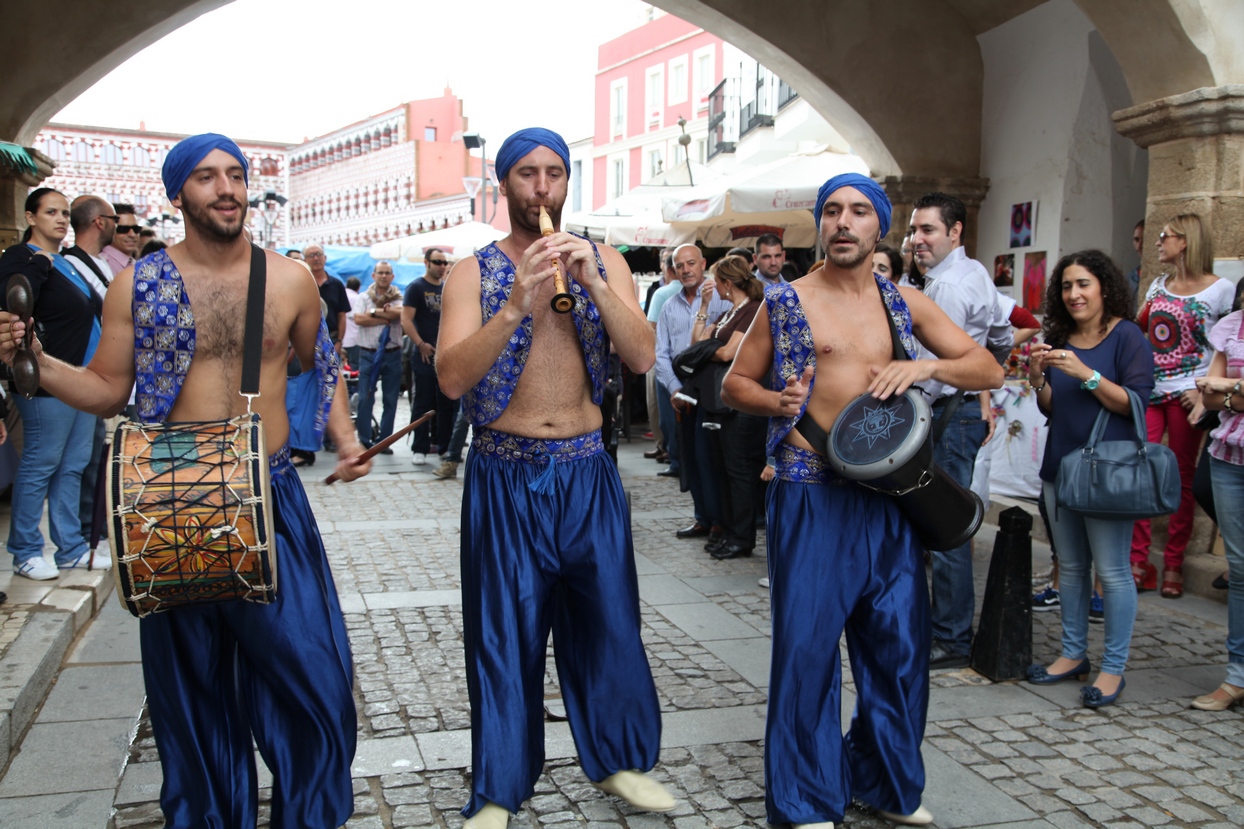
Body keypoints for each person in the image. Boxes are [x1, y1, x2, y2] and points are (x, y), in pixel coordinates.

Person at [0, 134, 370, 827]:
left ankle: (310, 816)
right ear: (179, 195)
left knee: (315, 681)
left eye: (235, 174)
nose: (226, 188)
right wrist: (36, 362)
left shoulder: (289, 278)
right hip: (173, 497)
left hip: (269, 492)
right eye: (206, 177)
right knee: (194, 694)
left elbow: (320, 366)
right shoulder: (137, 283)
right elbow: (109, 388)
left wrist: (345, 439)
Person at [722, 173, 1001, 828]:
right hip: (811, 495)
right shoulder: (785, 301)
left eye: (858, 212)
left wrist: (925, 367)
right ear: (819, 224)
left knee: (900, 650)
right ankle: (805, 798)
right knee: (807, 654)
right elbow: (735, 382)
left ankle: (882, 782)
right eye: (831, 212)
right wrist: (774, 401)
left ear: (880, 227)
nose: (843, 222)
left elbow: (986, 366)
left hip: (888, 498)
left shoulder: (904, 302)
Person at [437, 127, 674, 829]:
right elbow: (451, 378)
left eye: (554, 174)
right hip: (504, 474)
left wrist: (594, 281)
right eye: (527, 175)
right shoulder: (472, 272)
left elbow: (640, 358)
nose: (542, 188)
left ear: (568, 183)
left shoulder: (604, 262)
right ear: (504, 184)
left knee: (610, 624)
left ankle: (622, 759)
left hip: (586, 470)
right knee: (502, 633)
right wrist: (516, 303)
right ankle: (498, 790)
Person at [1024, 250, 1154, 709]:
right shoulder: (1059, 336)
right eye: (1066, 286)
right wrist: (1039, 378)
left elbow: (1137, 402)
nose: (1074, 294)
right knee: (1073, 569)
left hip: (1108, 473)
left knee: (1114, 572)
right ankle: (1072, 654)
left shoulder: (1127, 337)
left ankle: (1113, 668)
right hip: (1061, 467)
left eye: (1083, 284)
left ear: (1104, 286)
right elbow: (1051, 407)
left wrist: (1087, 374)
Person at [908, 191, 1002, 669]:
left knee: (945, 528)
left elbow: (926, 371)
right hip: (961, 411)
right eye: (913, 230)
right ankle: (946, 630)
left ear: (955, 231)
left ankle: (950, 636)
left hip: (944, 417)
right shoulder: (976, 272)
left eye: (927, 230)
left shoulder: (945, 287)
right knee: (948, 523)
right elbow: (1003, 333)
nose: (916, 240)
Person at [0, 188, 106, 580]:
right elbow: (15, 300)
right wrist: (41, 264)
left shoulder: (66, 263)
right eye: (50, 212)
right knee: (42, 462)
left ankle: (71, 548)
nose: (61, 219)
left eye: (65, 213)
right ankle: (26, 551)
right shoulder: (21, 258)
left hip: (77, 378)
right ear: (30, 217)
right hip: (42, 378)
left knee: (73, 464)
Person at [1129, 213, 1234, 597]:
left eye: (1164, 236)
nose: (1158, 242)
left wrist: (1202, 388)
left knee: (1182, 479)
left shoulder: (1221, 290)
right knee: (1142, 472)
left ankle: (1173, 561)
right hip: (1151, 392)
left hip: (1190, 396)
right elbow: (1141, 332)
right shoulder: (1158, 285)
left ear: (1185, 241)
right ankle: (1138, 560)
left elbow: (1226, 346)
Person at [655, 243, 732, 543]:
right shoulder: (669, 306)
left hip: (713, 392)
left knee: (712, 457)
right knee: (690, 457)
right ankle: (702, 517)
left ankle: (718, 520)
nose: (686, 270)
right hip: (683, 392)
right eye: (680, 265)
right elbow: (660, 354)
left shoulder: (721, 300)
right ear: (673, 270)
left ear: (703, 264)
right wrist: (674, 390)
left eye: (691, 263)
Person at [1190, 299, 1244, 709]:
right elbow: (1209, 397)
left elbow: (1222, 388)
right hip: (1230, 458)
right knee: (1241, 571)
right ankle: (1237, 677)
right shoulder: (1231, 326)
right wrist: (1228, 395)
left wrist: (1231, 390)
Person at [693, 254, 765, 559]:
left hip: (743, 406)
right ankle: (730, 531)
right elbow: (698, 342)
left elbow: (727, 354)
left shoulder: (750, 310)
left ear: (725, 282)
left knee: (739, 472)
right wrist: (705, 309)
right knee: (724, 469)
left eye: (715, 280)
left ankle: (742, 537)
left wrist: (707, 350)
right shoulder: (727, 312)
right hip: (722, 402)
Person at [402, 247, 456, 465]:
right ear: (426, 263)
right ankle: (420, 447)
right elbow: (406, 319)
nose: (442, 266)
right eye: (437, 262)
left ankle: (444, 447)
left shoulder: (447, 288)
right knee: (422, 401)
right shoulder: (416, 287)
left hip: (446, 354)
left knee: (448, 402)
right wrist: (420, 344)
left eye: (444, 262)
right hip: (425, 354)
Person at [352, 260, 403, 452]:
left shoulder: (398, 298)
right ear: (373, 275)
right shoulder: (364, 297)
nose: (383, 276)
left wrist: (372, 314)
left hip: (392, 354)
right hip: (367, 353)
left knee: (390, 400)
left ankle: (384, 441)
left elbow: (400, 314)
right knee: (365, 397)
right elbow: (359, 319)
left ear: (392, 276)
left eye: (387, 273)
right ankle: (364, 439)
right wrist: (385, 316)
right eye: (380, 272)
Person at [304, 243, 351, 356]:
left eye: (319, 254)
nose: (316, 258)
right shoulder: (302, 284)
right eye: (311, 255)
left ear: (325, 258)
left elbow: (341, 315)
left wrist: (339, 341)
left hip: (332, 339)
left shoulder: (337, 284)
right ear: (305, 260)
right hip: (306, 340)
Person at [101, 203, 140, 277]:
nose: (132, 234)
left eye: (136, 229)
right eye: (123, 229)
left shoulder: (136, 263)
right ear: (110, 230)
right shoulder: (103, 264)